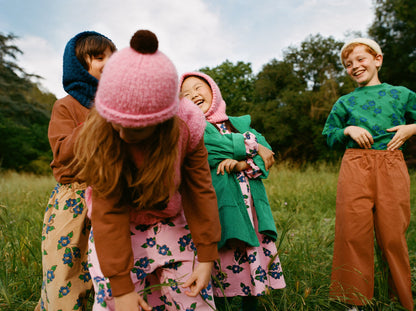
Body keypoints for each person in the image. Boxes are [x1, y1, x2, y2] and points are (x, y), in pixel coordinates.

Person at [73, 30, 221, 311]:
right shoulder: (101, 136)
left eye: (137, 129)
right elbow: (109, 213)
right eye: (117, 123)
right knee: (117, 302)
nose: (124, 134)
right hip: (118, 227)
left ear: (164, 121)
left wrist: (206, 257)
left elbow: (200, 190)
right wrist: (121, 288)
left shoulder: (187, 128)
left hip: (169, 219)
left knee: (193, 298)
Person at [179, 71, 286, 311]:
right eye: (185, 94)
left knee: (251, 259)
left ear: (213, 90)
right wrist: (254, 146)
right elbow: (215, 149)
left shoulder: (239, 124)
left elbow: (267, 157)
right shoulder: (195, 130)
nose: (193, 95)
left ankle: (251, 304)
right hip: (218, 209)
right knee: (221, 262)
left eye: (198, 87)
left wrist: (241, 163)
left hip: (251, 210)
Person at [322, 38, 415, 311]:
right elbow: (328, 135)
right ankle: (354, 301)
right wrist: (347, 130)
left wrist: (411, 128)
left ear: (378, 59)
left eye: (361, 59)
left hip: (391, 164)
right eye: (348, 64)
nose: (355, 66)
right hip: (355, 166)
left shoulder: (401, 94)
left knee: (392, 236)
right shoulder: (345, 102)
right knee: (353, 233)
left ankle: (400, 300)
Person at [37, 31, 116, 311]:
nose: (108, 62)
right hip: (74, 201)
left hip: (113, 198)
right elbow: (63, 153)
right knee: (66, 275)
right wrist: (99, 118)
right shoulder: (66, 105)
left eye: (112, 57)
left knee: (111, 275)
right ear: (78, 64)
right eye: (98, 57)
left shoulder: (121, 108)